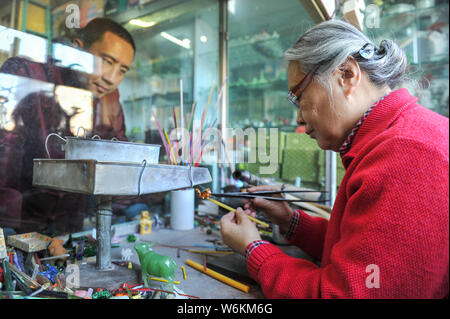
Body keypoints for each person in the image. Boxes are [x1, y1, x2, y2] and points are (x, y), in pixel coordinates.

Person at [220, 20, 449, 298]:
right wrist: (291, 220)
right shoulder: (390, 138)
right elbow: (363, 253)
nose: (299, 118)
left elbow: (344, 294)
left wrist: (255, 250)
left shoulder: (407, 154)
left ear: (347, 74)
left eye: (300, 96)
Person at [0, 18, 136, 234]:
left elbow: (118, 152)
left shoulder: (109, 97)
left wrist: (127, 204)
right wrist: (6, 226)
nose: (111, 78)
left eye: (122, 70)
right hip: (20, 222)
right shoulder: (27, 74)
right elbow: (6, 154)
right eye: (107, 61)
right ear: (77, 51)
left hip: (70, 226)